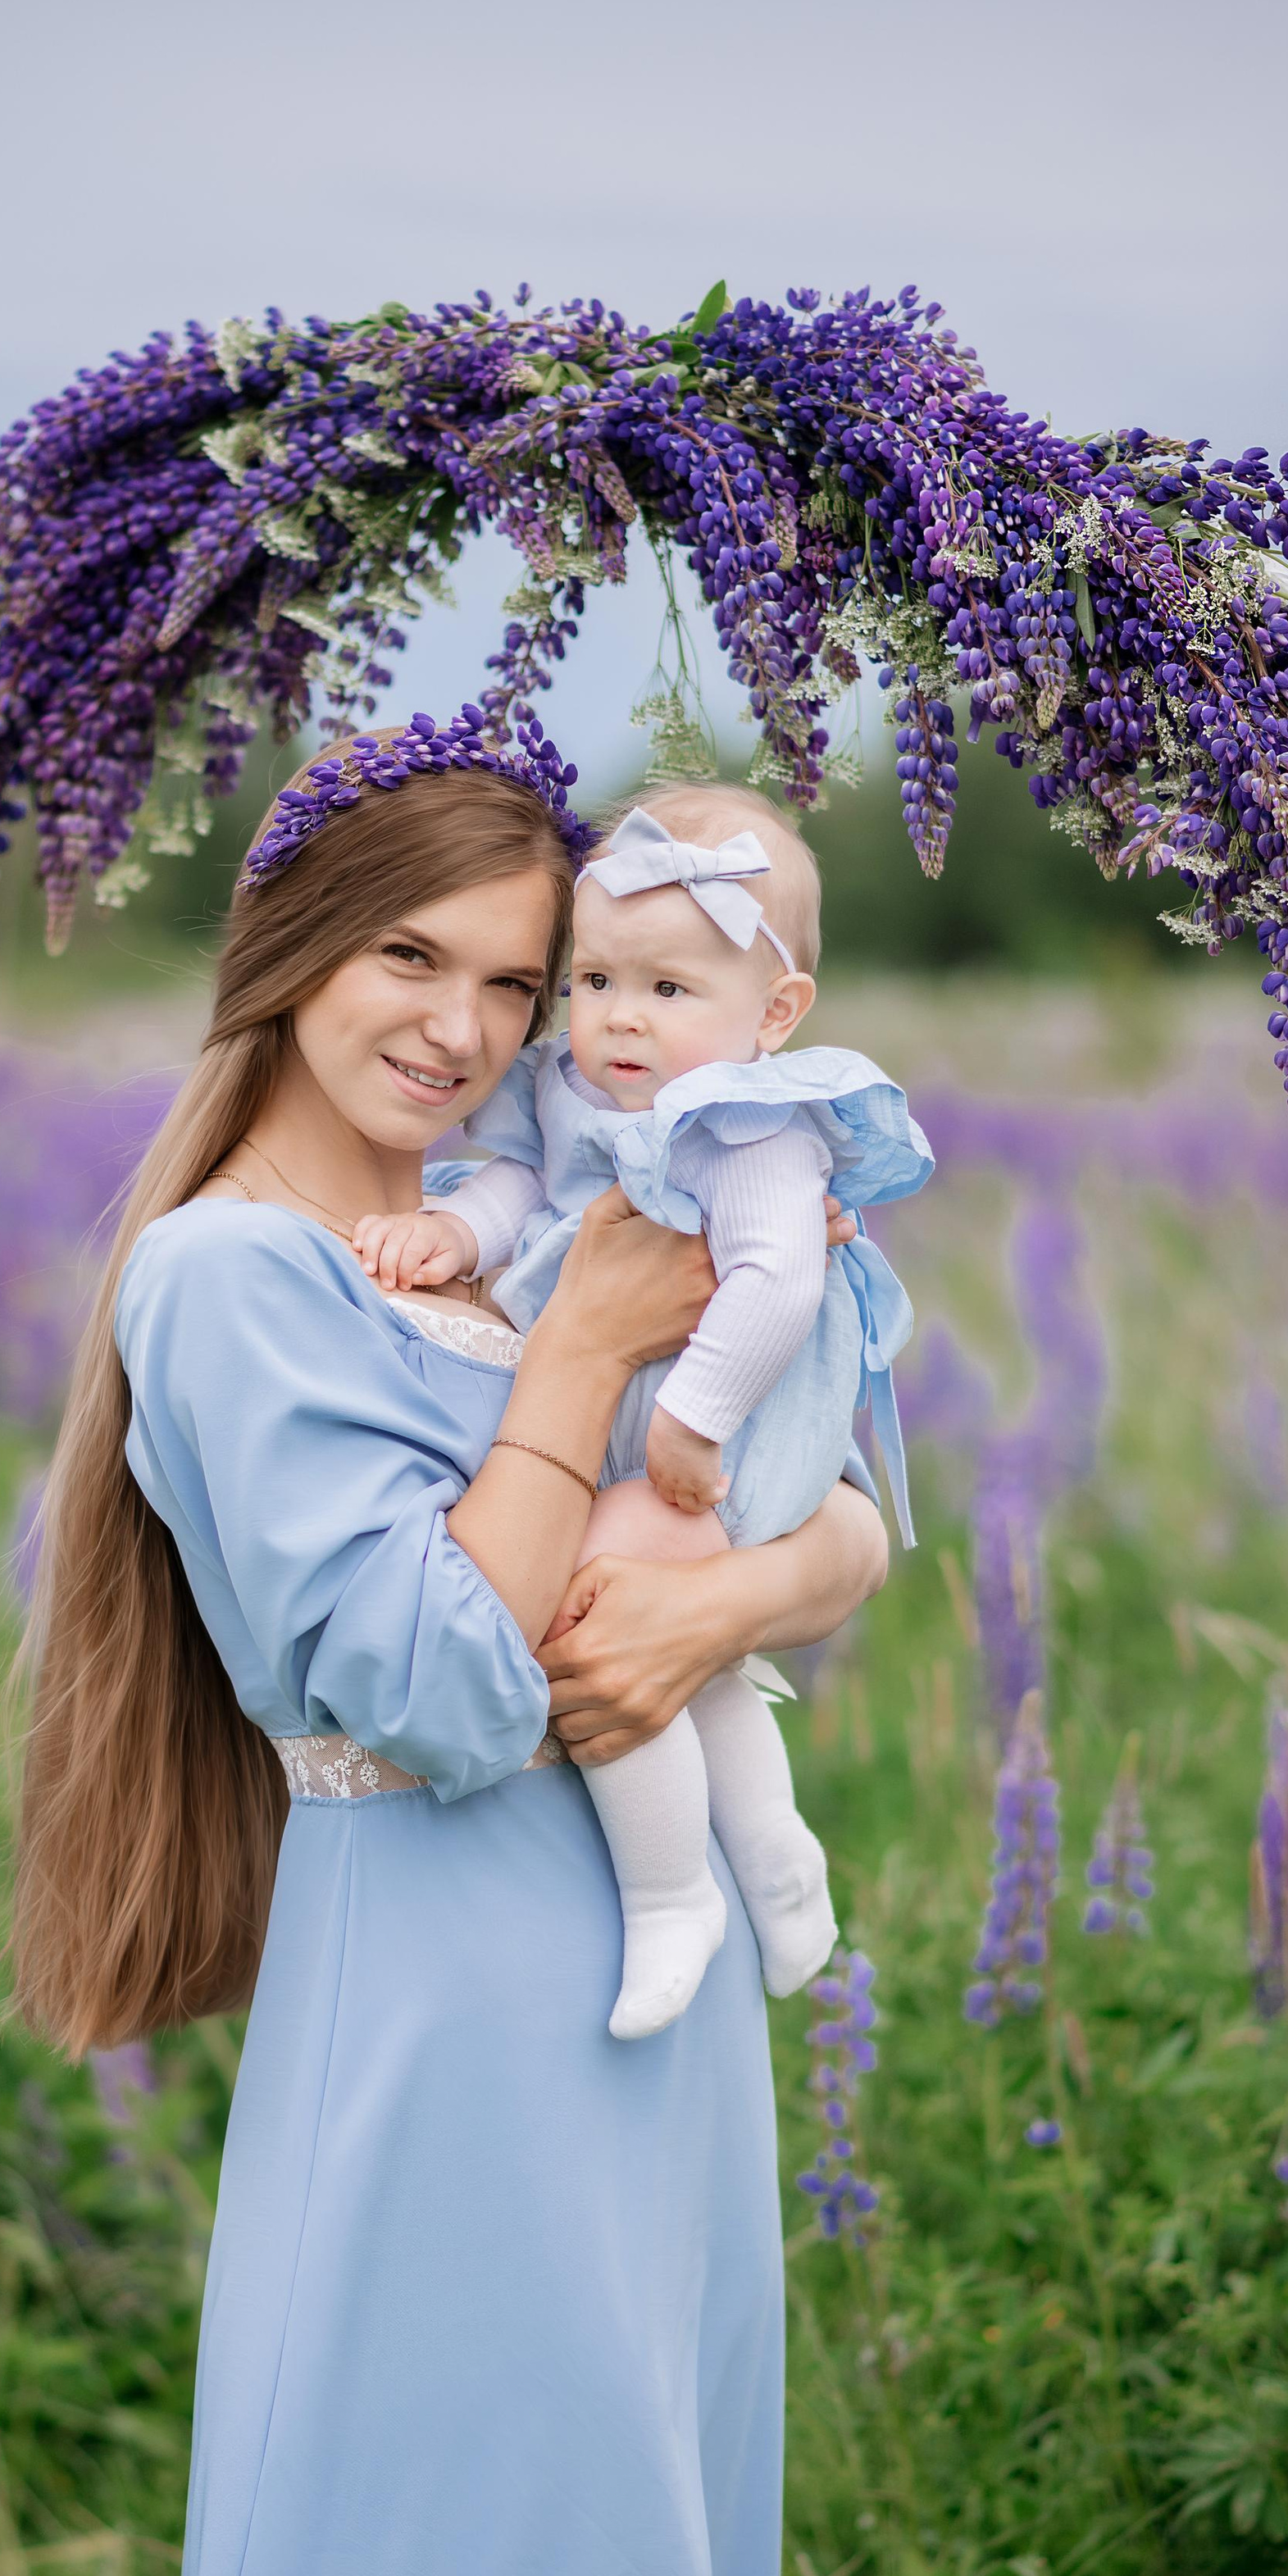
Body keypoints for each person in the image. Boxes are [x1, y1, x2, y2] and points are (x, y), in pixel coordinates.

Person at [12, 708, 888, 2576]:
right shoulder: (230, 1280)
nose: (468, 1030)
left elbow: (851, 1493)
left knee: (622, 2562)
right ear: (289, 949)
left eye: (520, 982)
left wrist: (738, 1593)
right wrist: (583, 1364)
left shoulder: (529, 1188)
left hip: (650, 2005)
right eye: (412, 954)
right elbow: (427, 1689)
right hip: (445, 2014)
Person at [354, 781, 933, 2038]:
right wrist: (450, 1228)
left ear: (774, 1013)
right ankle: (776, 1862)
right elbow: (522, 1189)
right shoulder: (578, 1093)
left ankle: (674, 1894)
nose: (621, 1019)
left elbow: (778, 1277)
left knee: (601, 1608)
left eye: (670, 992)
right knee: (699, 1665)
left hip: (723, 1443)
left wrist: (699, 1419)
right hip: (640, 1427)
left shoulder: (751, 1121)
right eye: (597, 981)